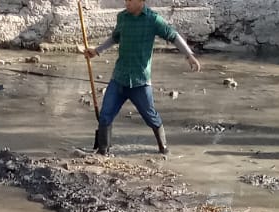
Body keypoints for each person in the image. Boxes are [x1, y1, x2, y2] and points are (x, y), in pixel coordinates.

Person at [83, 0, 202, 155]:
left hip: (140, 81)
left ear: (141, 1)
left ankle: (163, 149)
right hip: (119, 78)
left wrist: (189, 55)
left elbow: (173, 36)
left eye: (130, 1)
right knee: (105, 115)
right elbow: (115, 38)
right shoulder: (122, 17)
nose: (126, 3)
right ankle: (103, 152)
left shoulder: (153, 19)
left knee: (151, 117)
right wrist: (97, 51)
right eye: (125, 0)